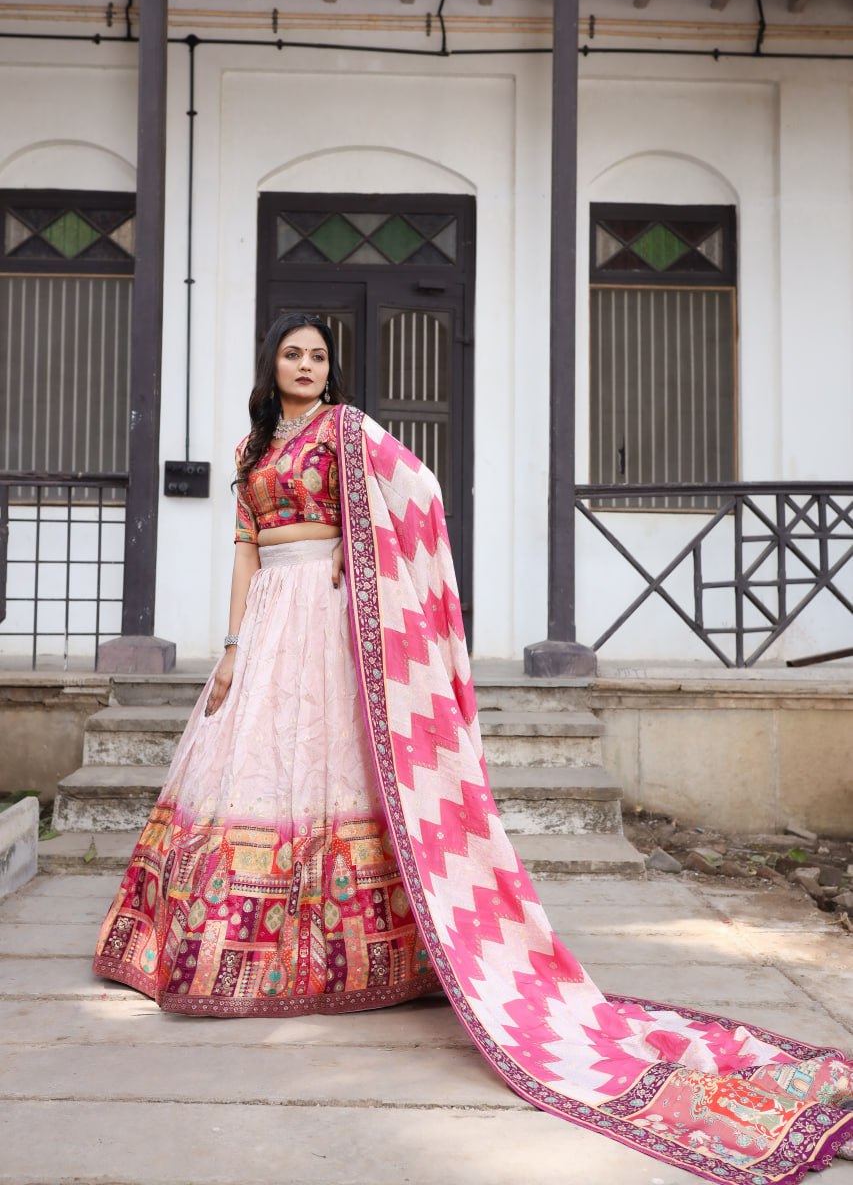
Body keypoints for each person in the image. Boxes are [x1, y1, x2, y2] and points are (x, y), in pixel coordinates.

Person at [95, 313, 852, 1182]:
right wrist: (229, 648)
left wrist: (362, 550)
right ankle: (241, 953)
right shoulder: (249, 450)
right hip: (270, 617)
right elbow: (242, 551)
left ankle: (357, 957)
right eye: (293, 353)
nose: (306, 365)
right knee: (258, 767)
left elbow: (415, 488)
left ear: (329, 370)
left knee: (334, 766)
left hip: (336, 620)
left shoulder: (349, 432)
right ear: (271, 363)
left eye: (318, 355)